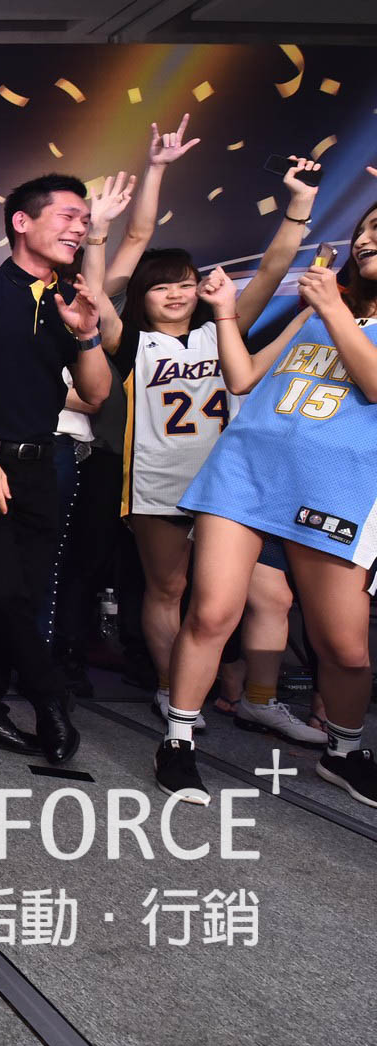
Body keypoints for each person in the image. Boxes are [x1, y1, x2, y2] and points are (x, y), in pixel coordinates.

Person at [153, 173, 377, 806]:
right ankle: (177, 741)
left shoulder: (329, 308)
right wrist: (225, 313)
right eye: (365, 228)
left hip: (337, 490)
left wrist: (334, 309)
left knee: (344, 647)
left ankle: (344, 751)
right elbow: (244, 376)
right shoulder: (315, 310)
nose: (367, 238)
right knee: (212, 612)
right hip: (247, 473)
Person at [96, 140, 321, 746]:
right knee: (168, 590)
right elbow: (100, 291)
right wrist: (112, 221)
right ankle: (174, 692)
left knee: (271, 594)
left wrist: (298, 207)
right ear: (141, 295)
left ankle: (259, 700)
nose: (176, 294)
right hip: (159, 481)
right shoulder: (130, 343)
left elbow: (272, 268)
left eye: (186, 284)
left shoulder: (223, 327)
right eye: (162, 287)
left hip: (233, 482)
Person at [0, 172, 117, 764]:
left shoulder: (71, 299)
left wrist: (87, 334)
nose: (79, 228)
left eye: (84, 220)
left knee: (18, 595)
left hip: (40, 465)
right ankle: (49, 696)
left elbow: (96, 394)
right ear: (22, 221)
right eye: (67, 216)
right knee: (4, 589)